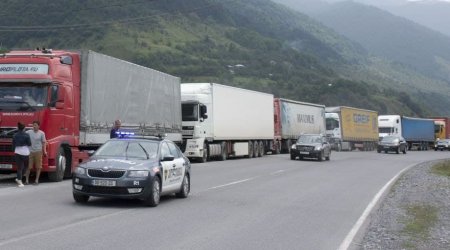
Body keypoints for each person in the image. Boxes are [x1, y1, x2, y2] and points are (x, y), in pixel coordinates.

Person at [24, 121, 47, 185]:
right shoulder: (28, 132)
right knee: (28, 167)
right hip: (30, 151)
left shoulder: (42, 133)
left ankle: (36, 180)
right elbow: (23, 135)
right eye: (33, 125)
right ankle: (26, 180)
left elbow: (44, 142)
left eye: (36, 125)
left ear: (38, 126)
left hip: (38, 151)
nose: (34, 126)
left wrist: (44, 151)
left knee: (38, 167)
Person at [12, 122, 31, 187]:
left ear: (18, 128)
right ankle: (19, 180)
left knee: (19, 167)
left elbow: (13, 145)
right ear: (24, 128)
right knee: (26, 166)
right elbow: (29, 144)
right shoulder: (27, 135)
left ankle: (18, 179)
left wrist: (13, 151)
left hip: (17, 151)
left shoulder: (14, 135)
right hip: (25, 152)